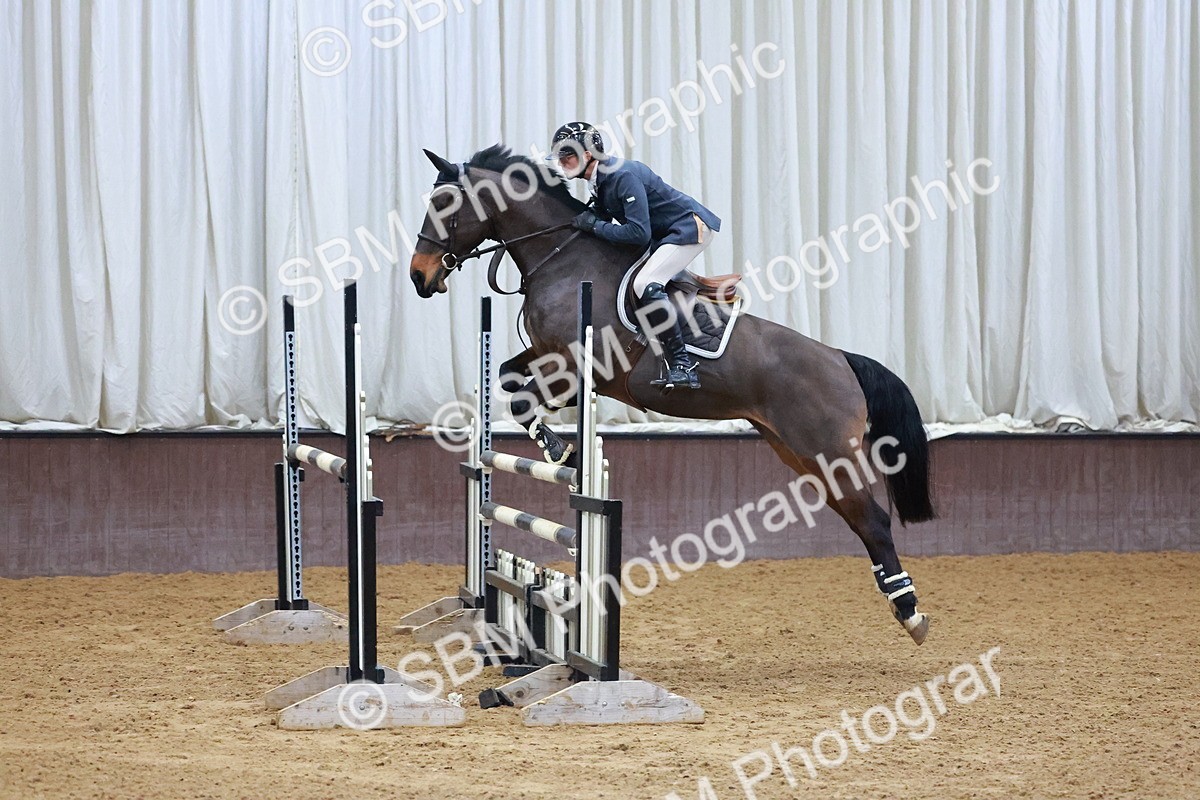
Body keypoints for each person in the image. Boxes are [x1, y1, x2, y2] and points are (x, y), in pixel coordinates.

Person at [547, 122, 721, 390]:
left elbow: (638, 234)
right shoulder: (600, 180)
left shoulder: (621, 176)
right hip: (665, 234)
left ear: (588, 154)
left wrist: (594, 225)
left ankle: (683, 366)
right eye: (559, 157)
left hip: (688, 228)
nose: (562, 162)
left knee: (645, 284)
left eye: (567, 156)